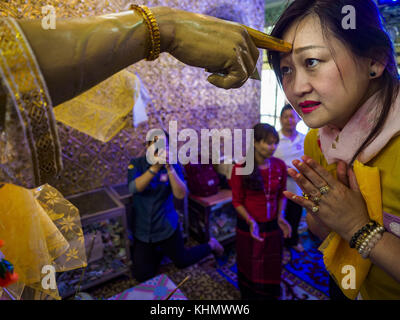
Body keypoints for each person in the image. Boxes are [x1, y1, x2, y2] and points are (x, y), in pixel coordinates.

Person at [267, 0, 400, 300]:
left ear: (375, 60)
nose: (296, 87)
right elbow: (323, 231)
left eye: (311, 61)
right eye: (286, 70)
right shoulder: (316, 140)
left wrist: (358, 227)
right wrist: (326, 217)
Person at [127, 130, 223, 282]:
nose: (158, 149)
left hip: (167, 226)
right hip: (143, 230)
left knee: (182, 261)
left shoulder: (173, 163)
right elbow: (133, 188)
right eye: (154, 144)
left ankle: (211, 245)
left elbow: (180, 194)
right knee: (142, 275)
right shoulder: (136, 163)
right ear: (147, 146)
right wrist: (155, 168)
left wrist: (170, 168)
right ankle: (158, 254)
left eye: (163, 145)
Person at [230, 123, 292, 300]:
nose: (273, 147)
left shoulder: (279, 165)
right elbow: (237, 201)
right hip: (249, 225)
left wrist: (280, 216)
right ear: (255, 143)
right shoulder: (241, 167)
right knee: (250, 262)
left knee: (270, 263)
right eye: (268, 143)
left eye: (275, 143)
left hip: (272, 225)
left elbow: (281, 195)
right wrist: (250, 221)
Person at [274, 104, 306, 252]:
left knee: (295, 215)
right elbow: (267, 160)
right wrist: (284, 170)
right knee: (278, 216)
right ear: (280, 119)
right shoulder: (274, 139)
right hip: (277, 187)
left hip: (297, 187)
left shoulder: (304, 139)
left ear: (298, 118)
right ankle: (277, 243)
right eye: (285, 116)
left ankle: (292, 241)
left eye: (292, 116)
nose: (289, 120)